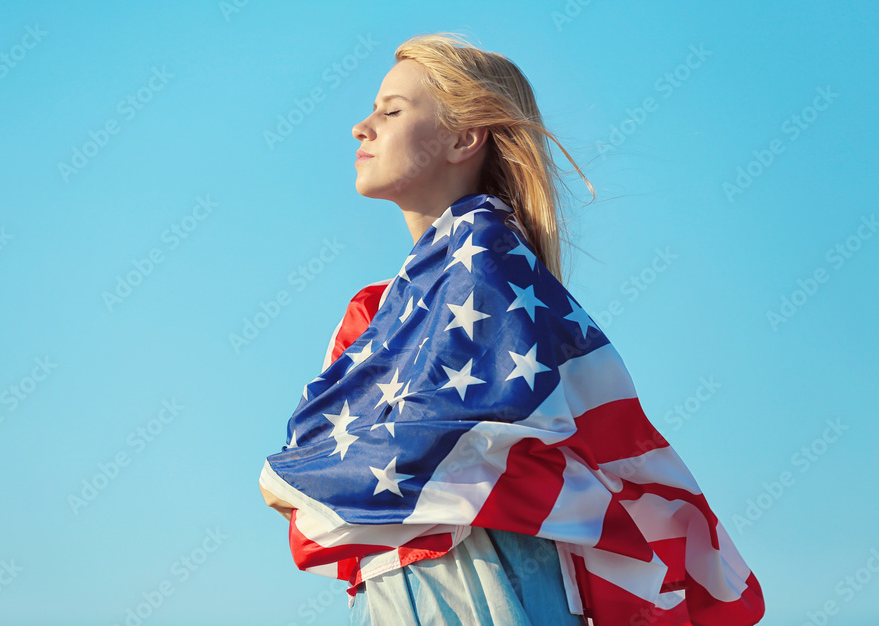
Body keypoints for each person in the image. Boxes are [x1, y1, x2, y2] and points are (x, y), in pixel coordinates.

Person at [260, 33, 764, 625]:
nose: (361, 127)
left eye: (392, 110)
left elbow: (438, 436)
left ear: (463, 137)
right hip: (404, 582)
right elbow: (332, 451)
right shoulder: (383, 308)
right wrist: (309, 473)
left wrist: (296, 476)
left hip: (478, 577)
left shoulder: (487, 257)